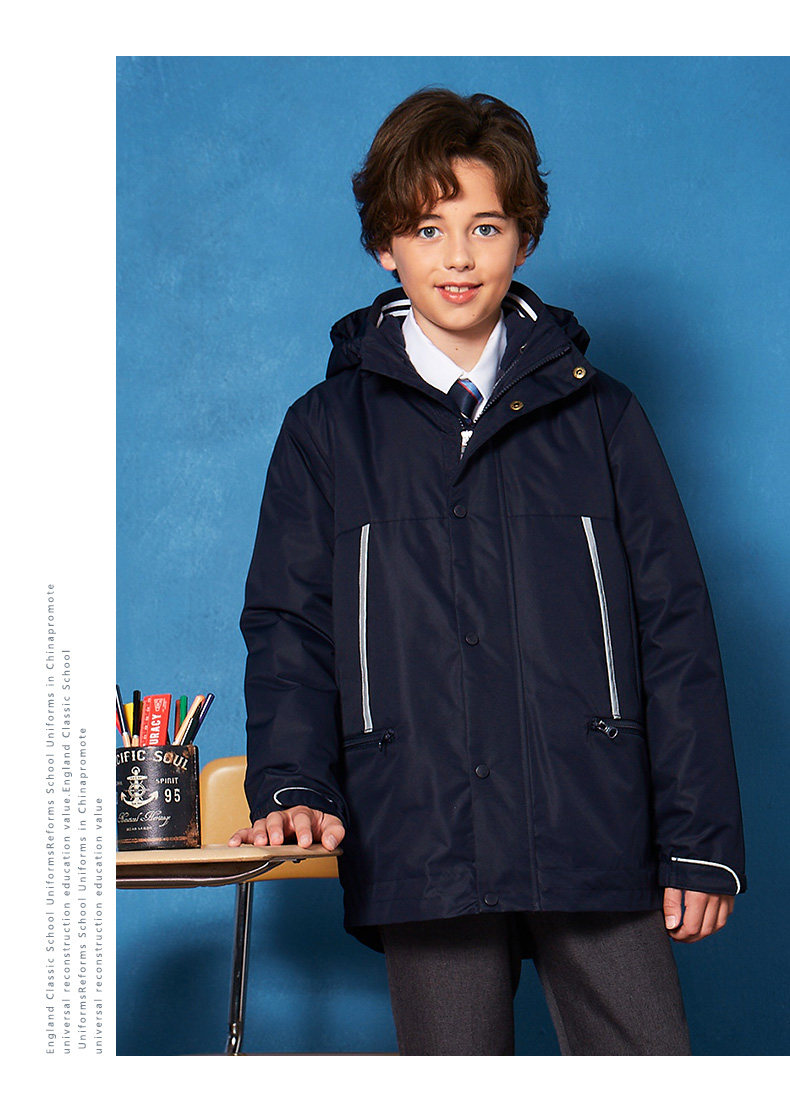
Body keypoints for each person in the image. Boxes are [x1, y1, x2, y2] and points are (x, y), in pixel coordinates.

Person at [229, 87, 747, 1056]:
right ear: (385, 247)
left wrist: (699, 840)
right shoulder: (326, 432)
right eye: (427, 229)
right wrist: (295, 782)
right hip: (420, 824)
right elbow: (291, 626)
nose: (458, 258)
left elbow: (674, 629)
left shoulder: (603, 418)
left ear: (524, 239)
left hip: (593, 821)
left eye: (486, 226)